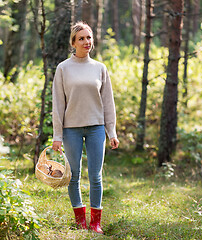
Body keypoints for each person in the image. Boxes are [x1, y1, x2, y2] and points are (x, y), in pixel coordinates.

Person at [52, 21, 119, 234]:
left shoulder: (100, 68)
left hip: (96, 128)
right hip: (71, 129)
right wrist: (57, 135)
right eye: (81, 38)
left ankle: (95, 223)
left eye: (89, 37)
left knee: (95, 176)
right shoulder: (63, 68)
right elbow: (58, 103)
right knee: (74, 175)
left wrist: (112, 132)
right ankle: (80, 221)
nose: (86, 42)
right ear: (73, 42)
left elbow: (108, 103)